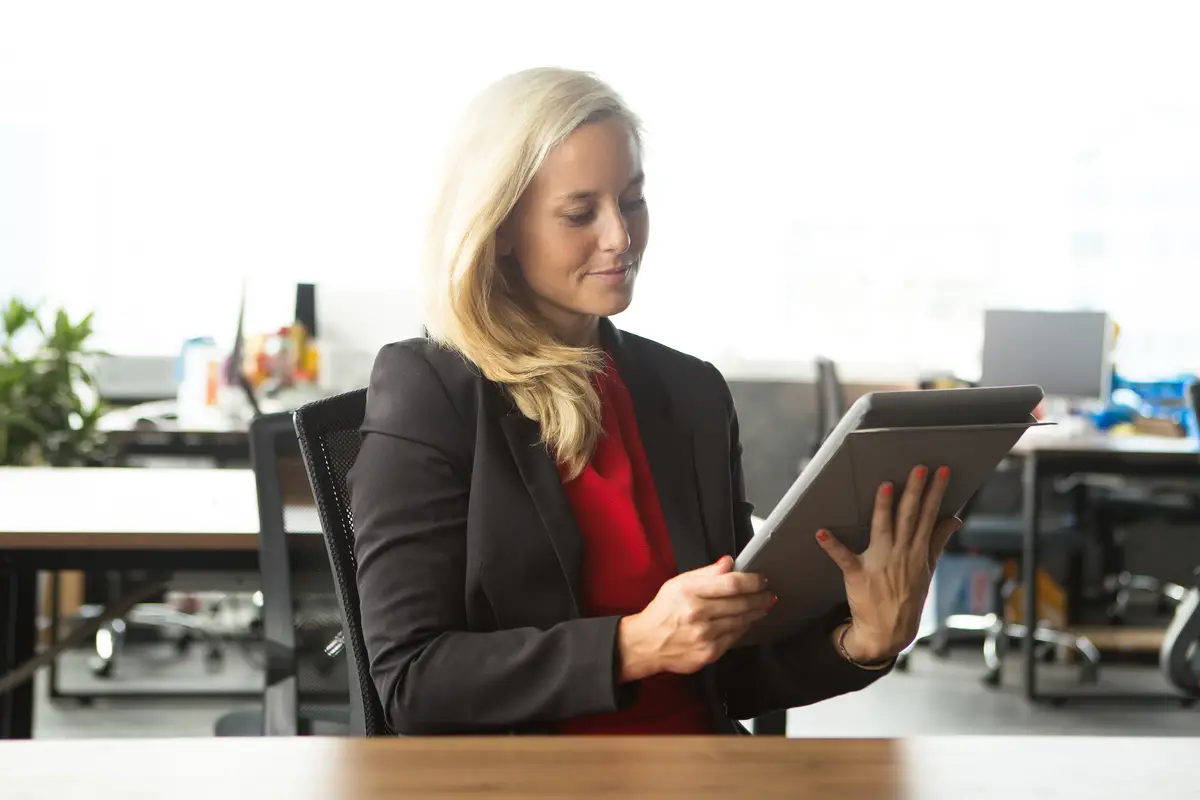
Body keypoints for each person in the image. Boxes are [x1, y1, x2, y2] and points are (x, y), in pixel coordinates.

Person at [347, 67, 961, 735]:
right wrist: (633, 646)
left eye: (632, 201)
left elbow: (733, 671)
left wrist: (865, 639)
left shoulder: (689, 391)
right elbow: (411, 683)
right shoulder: (431, 388)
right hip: (534, 775)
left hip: (698, 763)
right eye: (580, 213)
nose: (621, 236)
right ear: (499, 228)